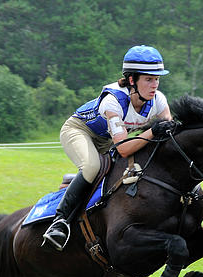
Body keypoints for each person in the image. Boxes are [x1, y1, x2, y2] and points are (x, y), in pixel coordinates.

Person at [42, 45, 176, 251]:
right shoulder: (113, 101)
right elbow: (123, 148)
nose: (155, 85)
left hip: (107, 140)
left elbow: (168, 130)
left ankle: (73, 185)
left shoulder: (158, 100)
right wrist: (152, 131)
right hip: (79, 131)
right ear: (132, 80)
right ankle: (59, 223)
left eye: (157, 79)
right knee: (91, 167)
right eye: (149, 79)